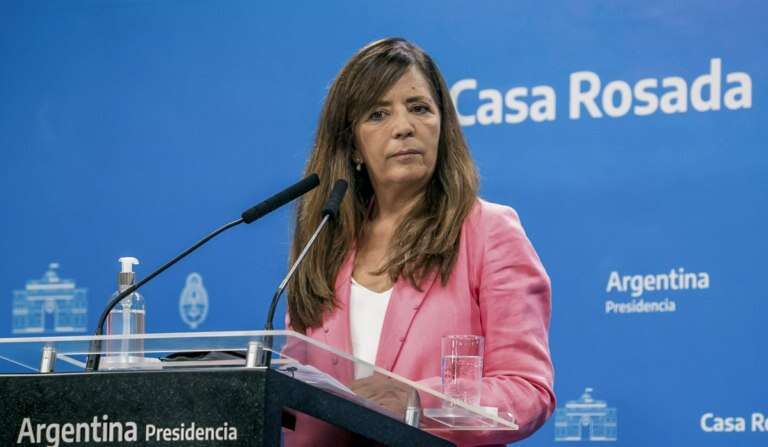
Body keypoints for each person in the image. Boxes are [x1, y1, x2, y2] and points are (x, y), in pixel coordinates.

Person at [283, 37, 554, 446]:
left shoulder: (488, 232)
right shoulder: (323, 243)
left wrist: (418, 402)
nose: (403, 127)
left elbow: (527, 390)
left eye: (419, 108)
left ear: (442, 127)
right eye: (378, 114)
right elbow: (292, 396)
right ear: (353, 145)